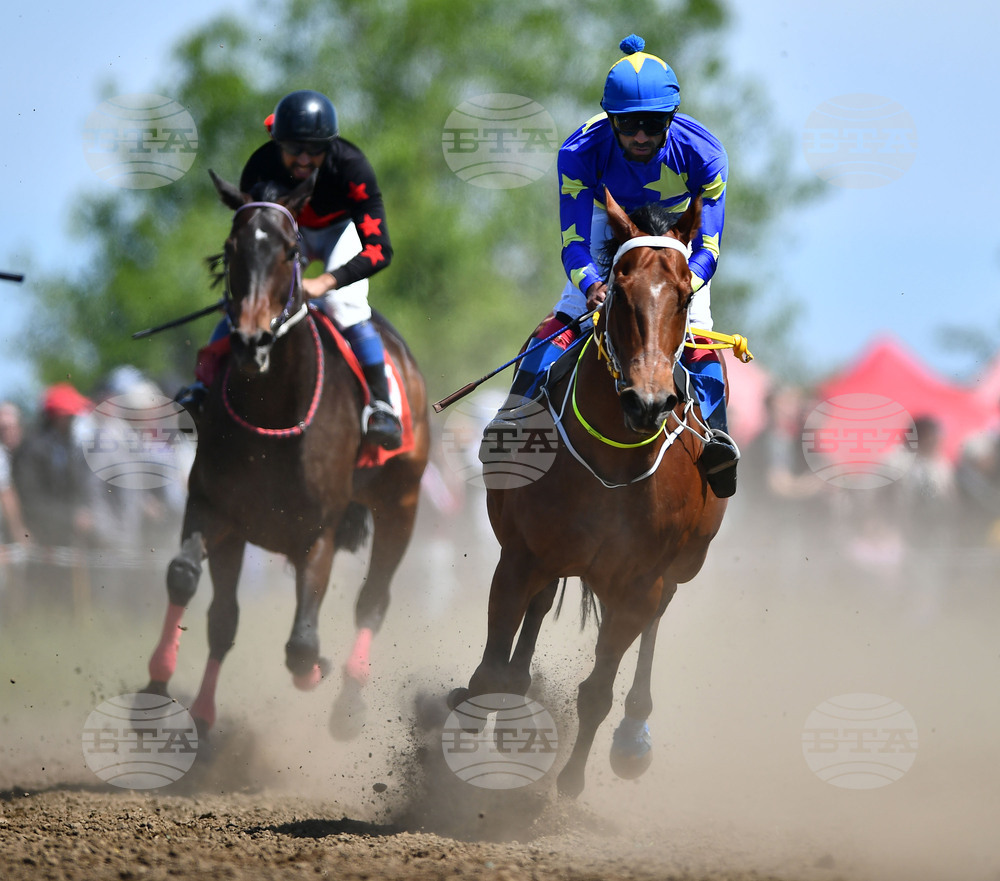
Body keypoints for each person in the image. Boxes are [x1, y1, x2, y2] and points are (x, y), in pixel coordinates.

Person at [489, 34, 738, 497]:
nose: (640, 136)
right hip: (612, 226)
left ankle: (717, 438)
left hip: (675, 239)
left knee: (700, 330)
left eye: (652, 124)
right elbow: (573, 243)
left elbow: (710, 248)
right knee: (565, 317)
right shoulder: (578, 153)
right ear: (610, 118)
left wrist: (686, 286)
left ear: (671, 119)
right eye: (628, 125)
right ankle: (515, 416)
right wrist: (589, 287)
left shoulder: (707, 154)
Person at [180, 89, 402, 450]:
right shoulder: (260, 167)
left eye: (314, 149)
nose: (302, 158)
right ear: (276, 142)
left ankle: (382, 405)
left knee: (344, 304)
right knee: (251, 301)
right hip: (286, 229)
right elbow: (252, 237)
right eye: (293, 148)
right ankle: (202, 389)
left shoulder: (352, 168)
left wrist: (326, 282)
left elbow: (380, 250)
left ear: (328, 147)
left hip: (339, 232)